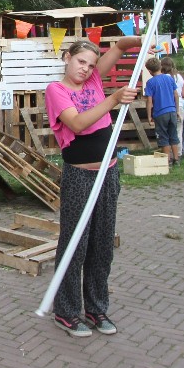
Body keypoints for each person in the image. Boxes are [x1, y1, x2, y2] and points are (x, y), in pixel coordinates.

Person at [45, 36, 141, 337]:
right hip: (80, 177)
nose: (85, 69)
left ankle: (96, 309)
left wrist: (141, 39)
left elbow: (121, 46)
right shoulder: (56, 90)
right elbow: (77, 124)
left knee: (102, 245)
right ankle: (66, 312)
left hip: (108, 174)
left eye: (90, 64)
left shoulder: (94, 80)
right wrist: (113, 100)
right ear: (67, 58)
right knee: (75, 244)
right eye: (80, 61)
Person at [144, 57, 181, 166]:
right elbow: (176, 95)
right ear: (160, 67)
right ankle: (176, 159)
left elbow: (149, 100)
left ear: (149, 71)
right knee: (173, 135)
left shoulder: (150, 82)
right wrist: (177, 110)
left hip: (160, 113)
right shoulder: (169, 78)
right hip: (172, 111)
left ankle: (167, 161)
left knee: (163, 137)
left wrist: (149, 116)